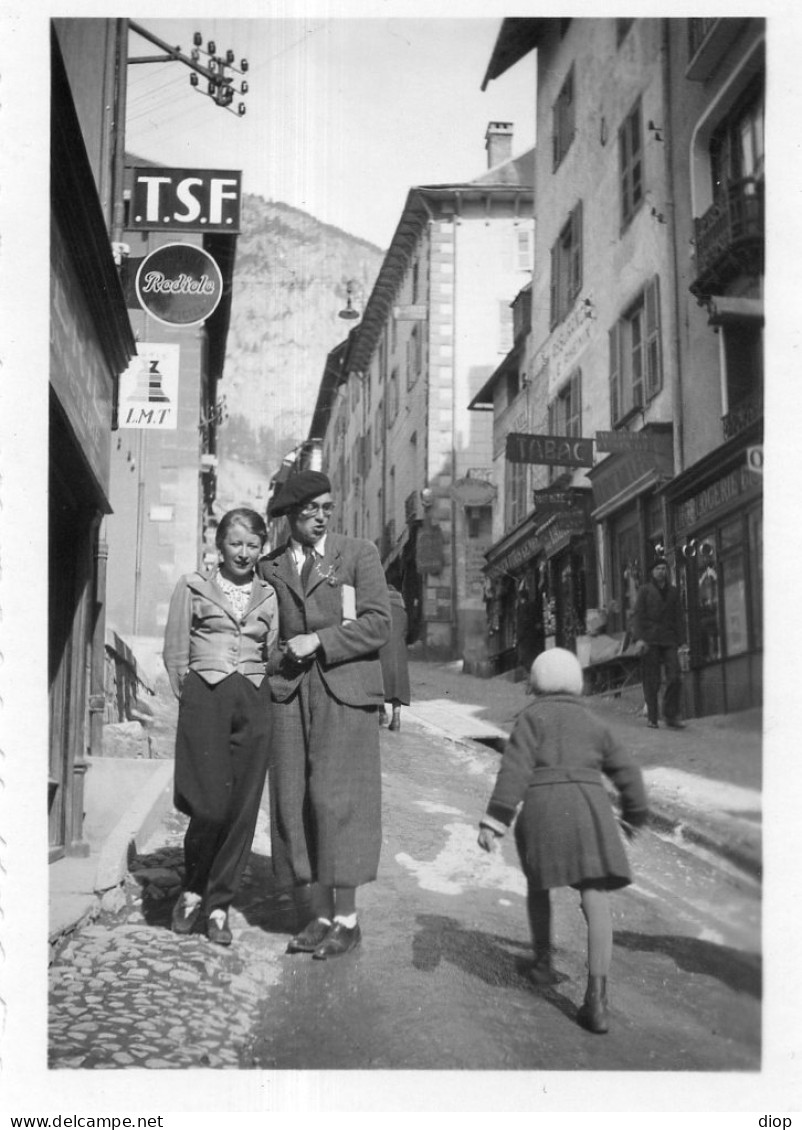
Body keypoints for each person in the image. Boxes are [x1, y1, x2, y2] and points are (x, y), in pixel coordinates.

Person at [477, 647, 648, 1034]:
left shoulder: (530, 719)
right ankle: (596, 999)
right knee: (595, 895)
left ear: (536, 682)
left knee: (540, 884)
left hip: (543, 811)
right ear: (577, 682)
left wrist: (495, 822)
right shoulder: (594, 722)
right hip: (589, 812)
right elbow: (627, 771)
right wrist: (634, 815)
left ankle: (541, 964)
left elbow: (514, 772)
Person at [258, 470, 391, 959]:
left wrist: (321, 640)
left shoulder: (358, 555)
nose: (321, 517)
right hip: (290, 693)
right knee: (293, 800)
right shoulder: (269, 568)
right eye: (311, 510)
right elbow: (261, 632)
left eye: (327, 509)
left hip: (345, 691)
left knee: (339, 801)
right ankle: (317, 914)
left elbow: (379, 623)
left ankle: (348, 919)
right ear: (290, 515)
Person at [163, 508, 277, 946]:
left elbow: (272, 651)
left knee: (241, 809)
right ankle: (192, 887)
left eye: (252, 545)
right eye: (236, 543)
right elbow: (176, 653)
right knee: (208, 804)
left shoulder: (268, 596)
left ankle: (218, 905)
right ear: (219, 545)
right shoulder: (192, 587)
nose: (244, 553)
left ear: (260, 548)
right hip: (205, 698)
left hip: (253, 699)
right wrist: (192, 697)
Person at [631, 554, 686, 729]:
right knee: (651, 679)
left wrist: (682, 640)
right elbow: (638, 616)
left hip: (669, 639)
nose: (662, 572)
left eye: (664, 569)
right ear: (652, 572)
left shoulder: (674, 591)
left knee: (675, 676)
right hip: (650, 639)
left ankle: (670, 715)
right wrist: (639, 638)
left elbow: (679, 616)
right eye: (658, 569)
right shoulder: (645, 590)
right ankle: (653, 718)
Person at [378, 584, 411, 732]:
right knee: (398, 686)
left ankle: (381, 713)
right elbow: (405, 632)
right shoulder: (403, 612)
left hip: (383, 649)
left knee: (380, 681)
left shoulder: (382, 609)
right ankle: (396, 719)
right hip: (400, 652)